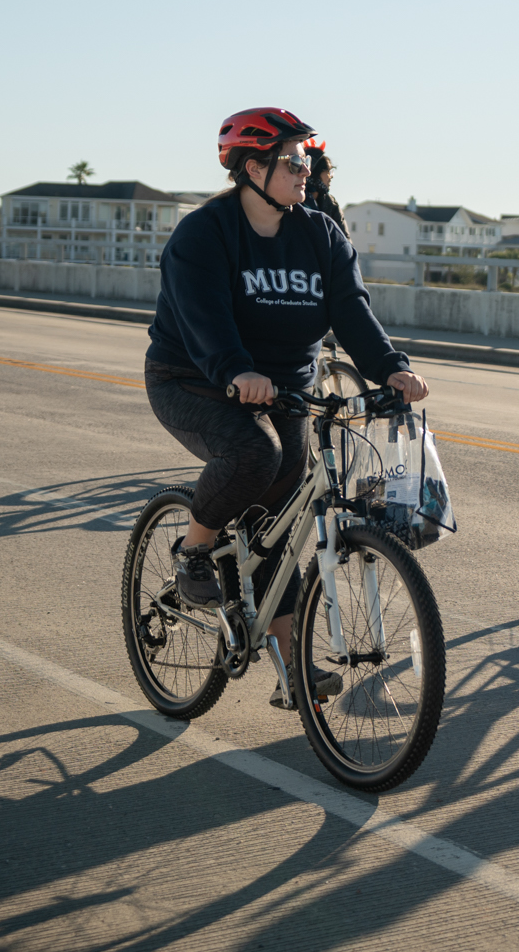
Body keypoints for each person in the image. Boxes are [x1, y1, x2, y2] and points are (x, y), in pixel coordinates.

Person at [145, 105, 430, 707]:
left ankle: (291, 672)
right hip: (192, 380)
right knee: (255, 452)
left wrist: (391, 367)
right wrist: (236, 370)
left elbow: (351, 311)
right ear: (253, 169)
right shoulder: (204, 234)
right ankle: (194, 549)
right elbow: (203, 318)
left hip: (287, 390)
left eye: (306, 160)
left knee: (276, 521)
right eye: (293, 161)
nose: (306, 171)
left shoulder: (319, 235)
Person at [301, 151, 346, 235]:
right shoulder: (296, 200)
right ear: (315, 172)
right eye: (328, 172)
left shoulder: (331, 203)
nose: (331, 177)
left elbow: (343, 237)